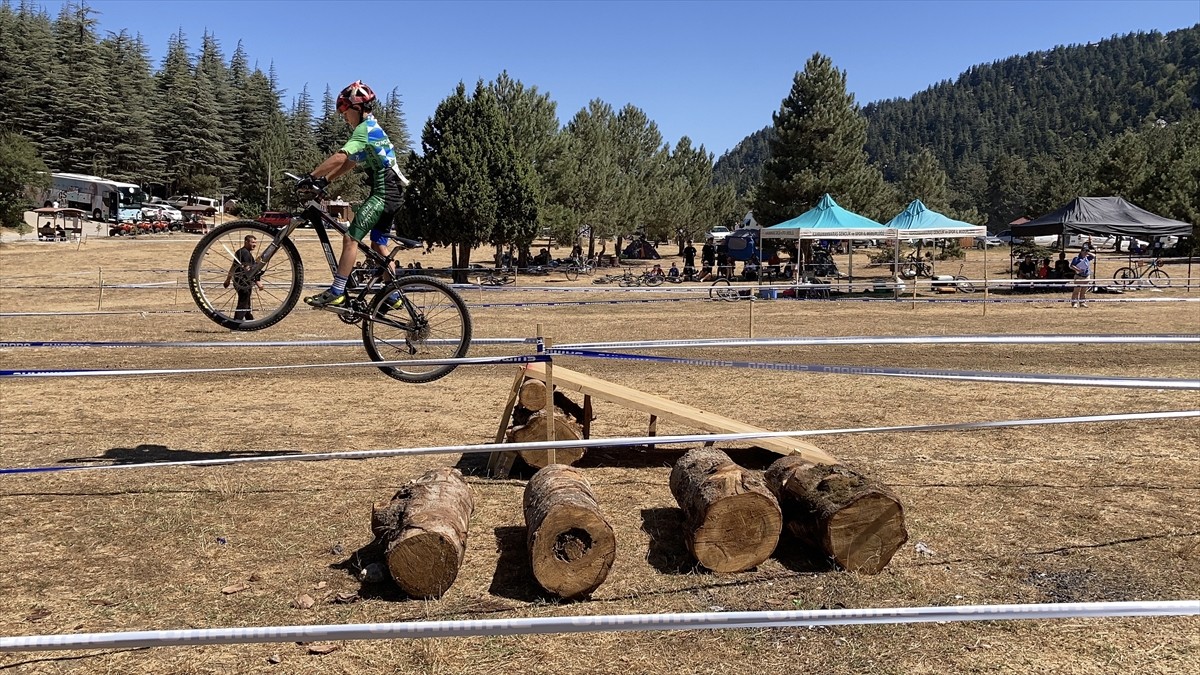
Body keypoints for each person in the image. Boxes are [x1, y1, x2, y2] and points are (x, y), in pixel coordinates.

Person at [303, 80, 409, 308]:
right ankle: (394, 295)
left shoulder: (365, 129)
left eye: (345, 111)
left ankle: (337, 291)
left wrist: (311, 175)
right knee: (379, 245)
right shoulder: (372, 128)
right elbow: (350, 162)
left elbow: (341, 156)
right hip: (393, 193)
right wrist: (325, 180)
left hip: (383, 193)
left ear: (357, 108)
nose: (344, 117)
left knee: (351, 238)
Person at [224, 234, 262, 321]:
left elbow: (233, 267)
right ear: (246, 242)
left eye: (255, 243)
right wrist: (258, 282)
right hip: (243, 282)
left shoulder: (241, 252)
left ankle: (249, 321)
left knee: (246, 301)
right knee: (243, 302)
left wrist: (228, 280)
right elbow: (248, 270)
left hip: (240, 282)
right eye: (252, 242)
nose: (254, 245)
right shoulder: (245, 253)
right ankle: (237, 323)